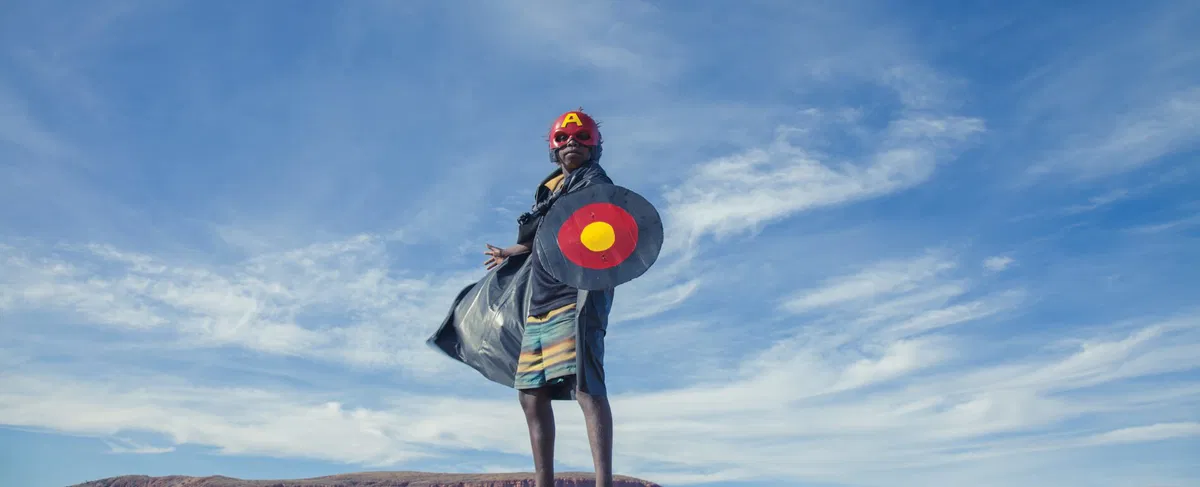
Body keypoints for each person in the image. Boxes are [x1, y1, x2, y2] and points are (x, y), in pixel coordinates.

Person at [480, 109, 616, 487]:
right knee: (530, 391)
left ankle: (603, 482)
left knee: (585, 385)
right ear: (554, 148)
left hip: (576, 297)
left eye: (581, 137)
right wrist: (508, 252)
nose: (572, 143)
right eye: (564, 138)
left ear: (594, 146)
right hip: (540, 300)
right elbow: (539, 236)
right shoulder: (552, 189)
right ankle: (545, 483)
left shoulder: (595, 182)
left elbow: (607, 229)